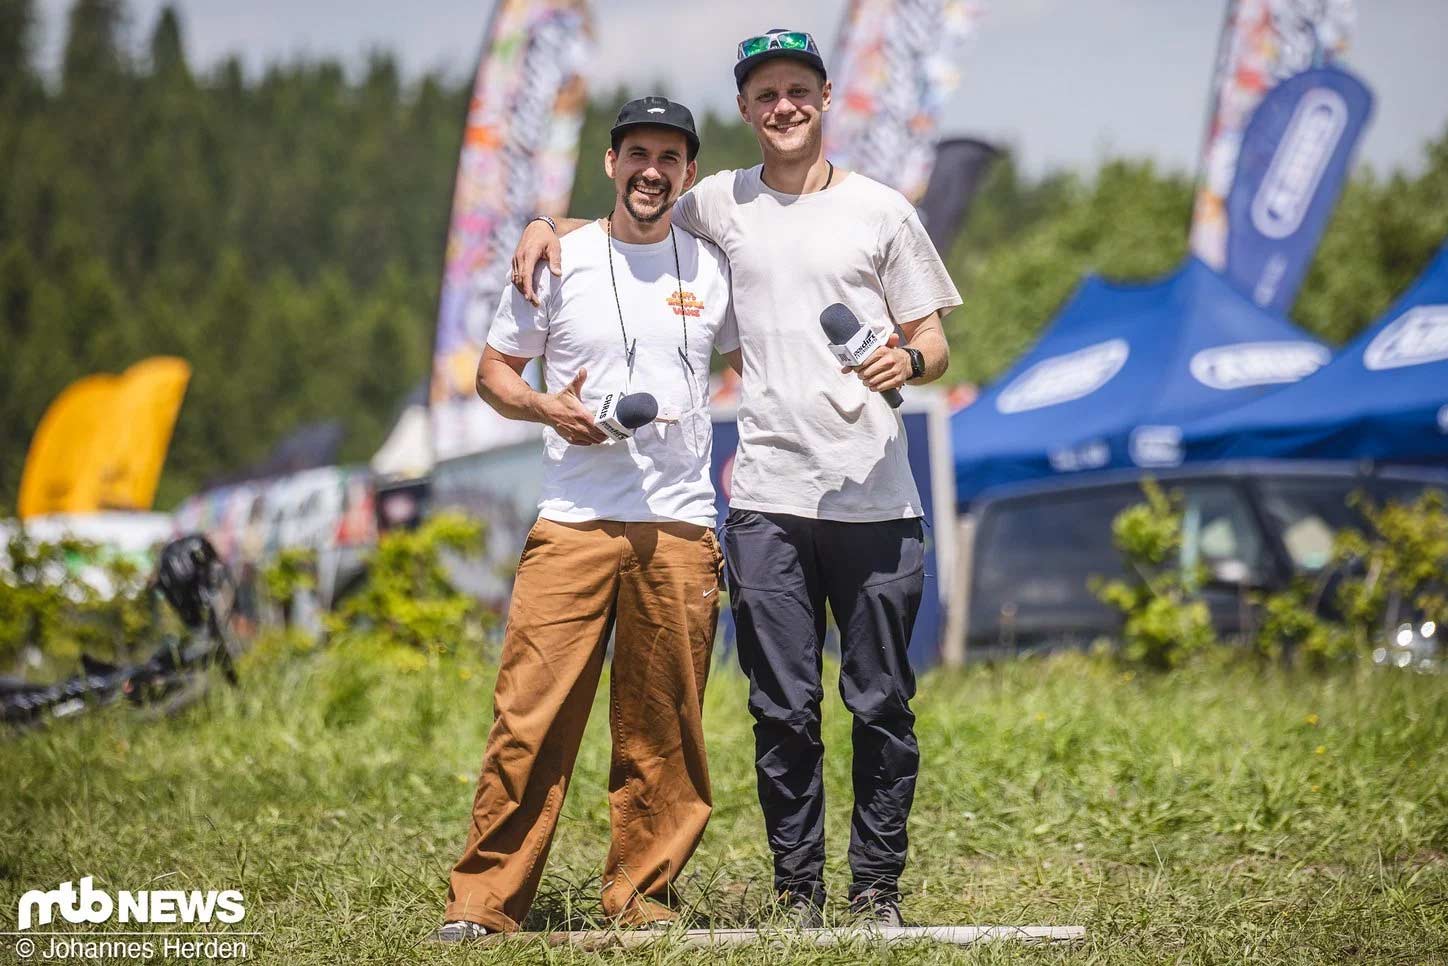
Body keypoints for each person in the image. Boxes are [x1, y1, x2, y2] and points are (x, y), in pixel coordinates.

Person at [510, 29, 959, 928]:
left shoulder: (881, 211)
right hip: (764, 504)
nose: (783, 107)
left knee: (880, 703)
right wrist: (543, 225)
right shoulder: (719, 200)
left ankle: (876, 891)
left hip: (877, 498)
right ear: (748, 111)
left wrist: (908, 362)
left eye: (798, 90)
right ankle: (799, 895)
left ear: (823, 99)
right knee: (783, 709)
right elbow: (633, 212)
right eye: (766, 95)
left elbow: (936, 340)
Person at [435, 96, 738, 941]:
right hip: (572, 520)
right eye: (637, 153)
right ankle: (483, 905)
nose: (652, 171)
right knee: (528, 718)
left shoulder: (712, 266)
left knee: (664, 730)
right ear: (610, 162)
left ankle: (641, 902)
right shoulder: (559, 257)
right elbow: (494, 372)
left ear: (688, 171)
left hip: (679, 524)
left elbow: (766, 345)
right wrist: (544, 408)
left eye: (669, 157)